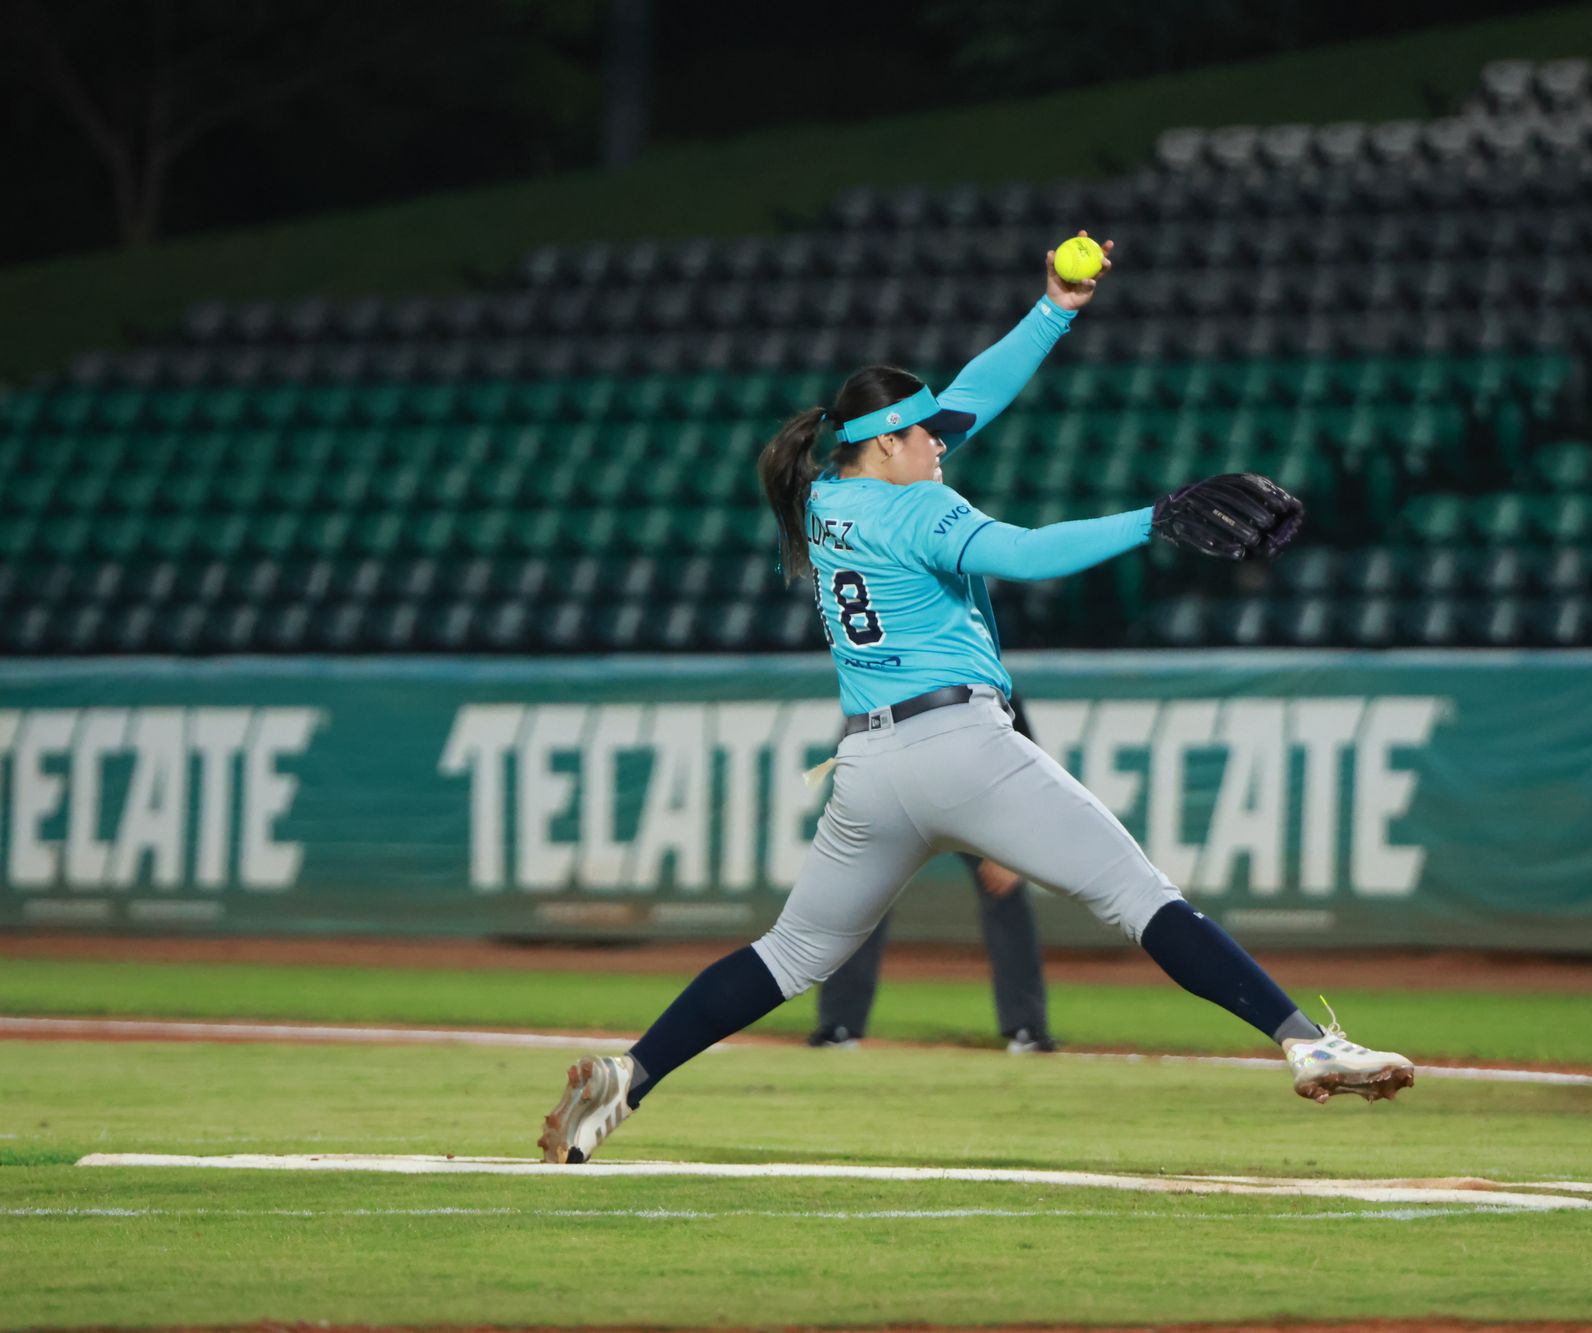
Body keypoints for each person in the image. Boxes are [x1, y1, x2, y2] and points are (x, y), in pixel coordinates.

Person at [538, 234, 1413, 1164]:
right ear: (886, 443)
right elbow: (1027, 554)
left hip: (871, 766)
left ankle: (629, 1078)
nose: (943, 443)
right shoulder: (918, 509)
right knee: (1137, 894)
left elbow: (968, 397)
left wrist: (1053, 311)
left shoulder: (831, 492)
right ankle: (1305, 1042)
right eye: (924, 436)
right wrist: (1153, 518)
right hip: (962, 747)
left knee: (791, 955)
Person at [807, 691, 1058, 1056]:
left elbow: (1026, 763)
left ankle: (1027, 1027)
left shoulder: (983, 674)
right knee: (858, 897)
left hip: (975, 806)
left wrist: (1015, 849)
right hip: (897, 801)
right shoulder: (879, 679)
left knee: (1007, 895)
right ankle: (838, 1025)